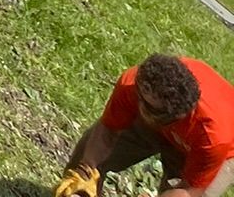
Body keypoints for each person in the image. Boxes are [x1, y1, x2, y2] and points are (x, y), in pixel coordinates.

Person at [58, 55, 234, 197]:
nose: (136, 99)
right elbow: (108, 130)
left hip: (221, 152)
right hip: (158, 124)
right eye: (140, 97)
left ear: (176, 115)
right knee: (86, 157)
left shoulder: (212, 136)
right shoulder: (137, 85)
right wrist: (85, 170)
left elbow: (188, 191)